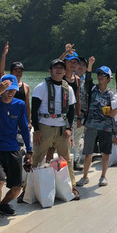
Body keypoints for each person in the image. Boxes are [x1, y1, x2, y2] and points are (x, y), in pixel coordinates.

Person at [0, 75, 32, 226]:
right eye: (8, 90)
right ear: (1, 88)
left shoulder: (19, 104)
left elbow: (24, 127)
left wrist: (29, 150)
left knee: (17, 188)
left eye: (14, 90)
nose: (11, 93)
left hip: (12, 147)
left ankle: (3, 204)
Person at [30, 58, 80, 200]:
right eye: (56, 68)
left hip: (62, 127)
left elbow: (71, 110)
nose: (59, 70)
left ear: (64, 72)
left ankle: (72, 187)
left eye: (61, 68)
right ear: (50, 70)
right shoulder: (41, 87)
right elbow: (34, 110)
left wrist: (69, 128)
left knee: (66, 159)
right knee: (37, 158)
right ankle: (28, 190)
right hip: (45, 126)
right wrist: (37, 130)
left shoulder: (68, 89)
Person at [77, 58, 117, 188]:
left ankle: (103, 176)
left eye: (104, 75)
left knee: (105, 153)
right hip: (91, 125)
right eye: (99, 74)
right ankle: (85, 177)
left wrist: (115, 111)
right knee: (88, 153)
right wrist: (90, 65)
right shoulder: (92, 89)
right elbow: (88, 79)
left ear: (109, 79)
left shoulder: (112, 94)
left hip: (106, 127)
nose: (100, 76)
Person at [0, 41, 31, 128]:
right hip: (7, 117)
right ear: (11, 72)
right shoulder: (7, 82)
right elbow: (1, 71)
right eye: (16, 71)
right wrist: (4, 55)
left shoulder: (26, 86)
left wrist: (29, 121)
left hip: (20, 118)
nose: (18, 73)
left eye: (20, 71)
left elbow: (27, 105)